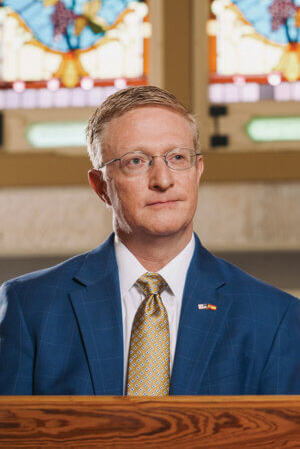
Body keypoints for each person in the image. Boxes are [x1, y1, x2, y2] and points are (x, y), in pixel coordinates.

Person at [0, 85, 299, 395]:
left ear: (197, 171)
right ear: (101, 186)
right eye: (136, 161)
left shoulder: (275, 317)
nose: (163, 180)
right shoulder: (30, 306)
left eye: (177, 157)